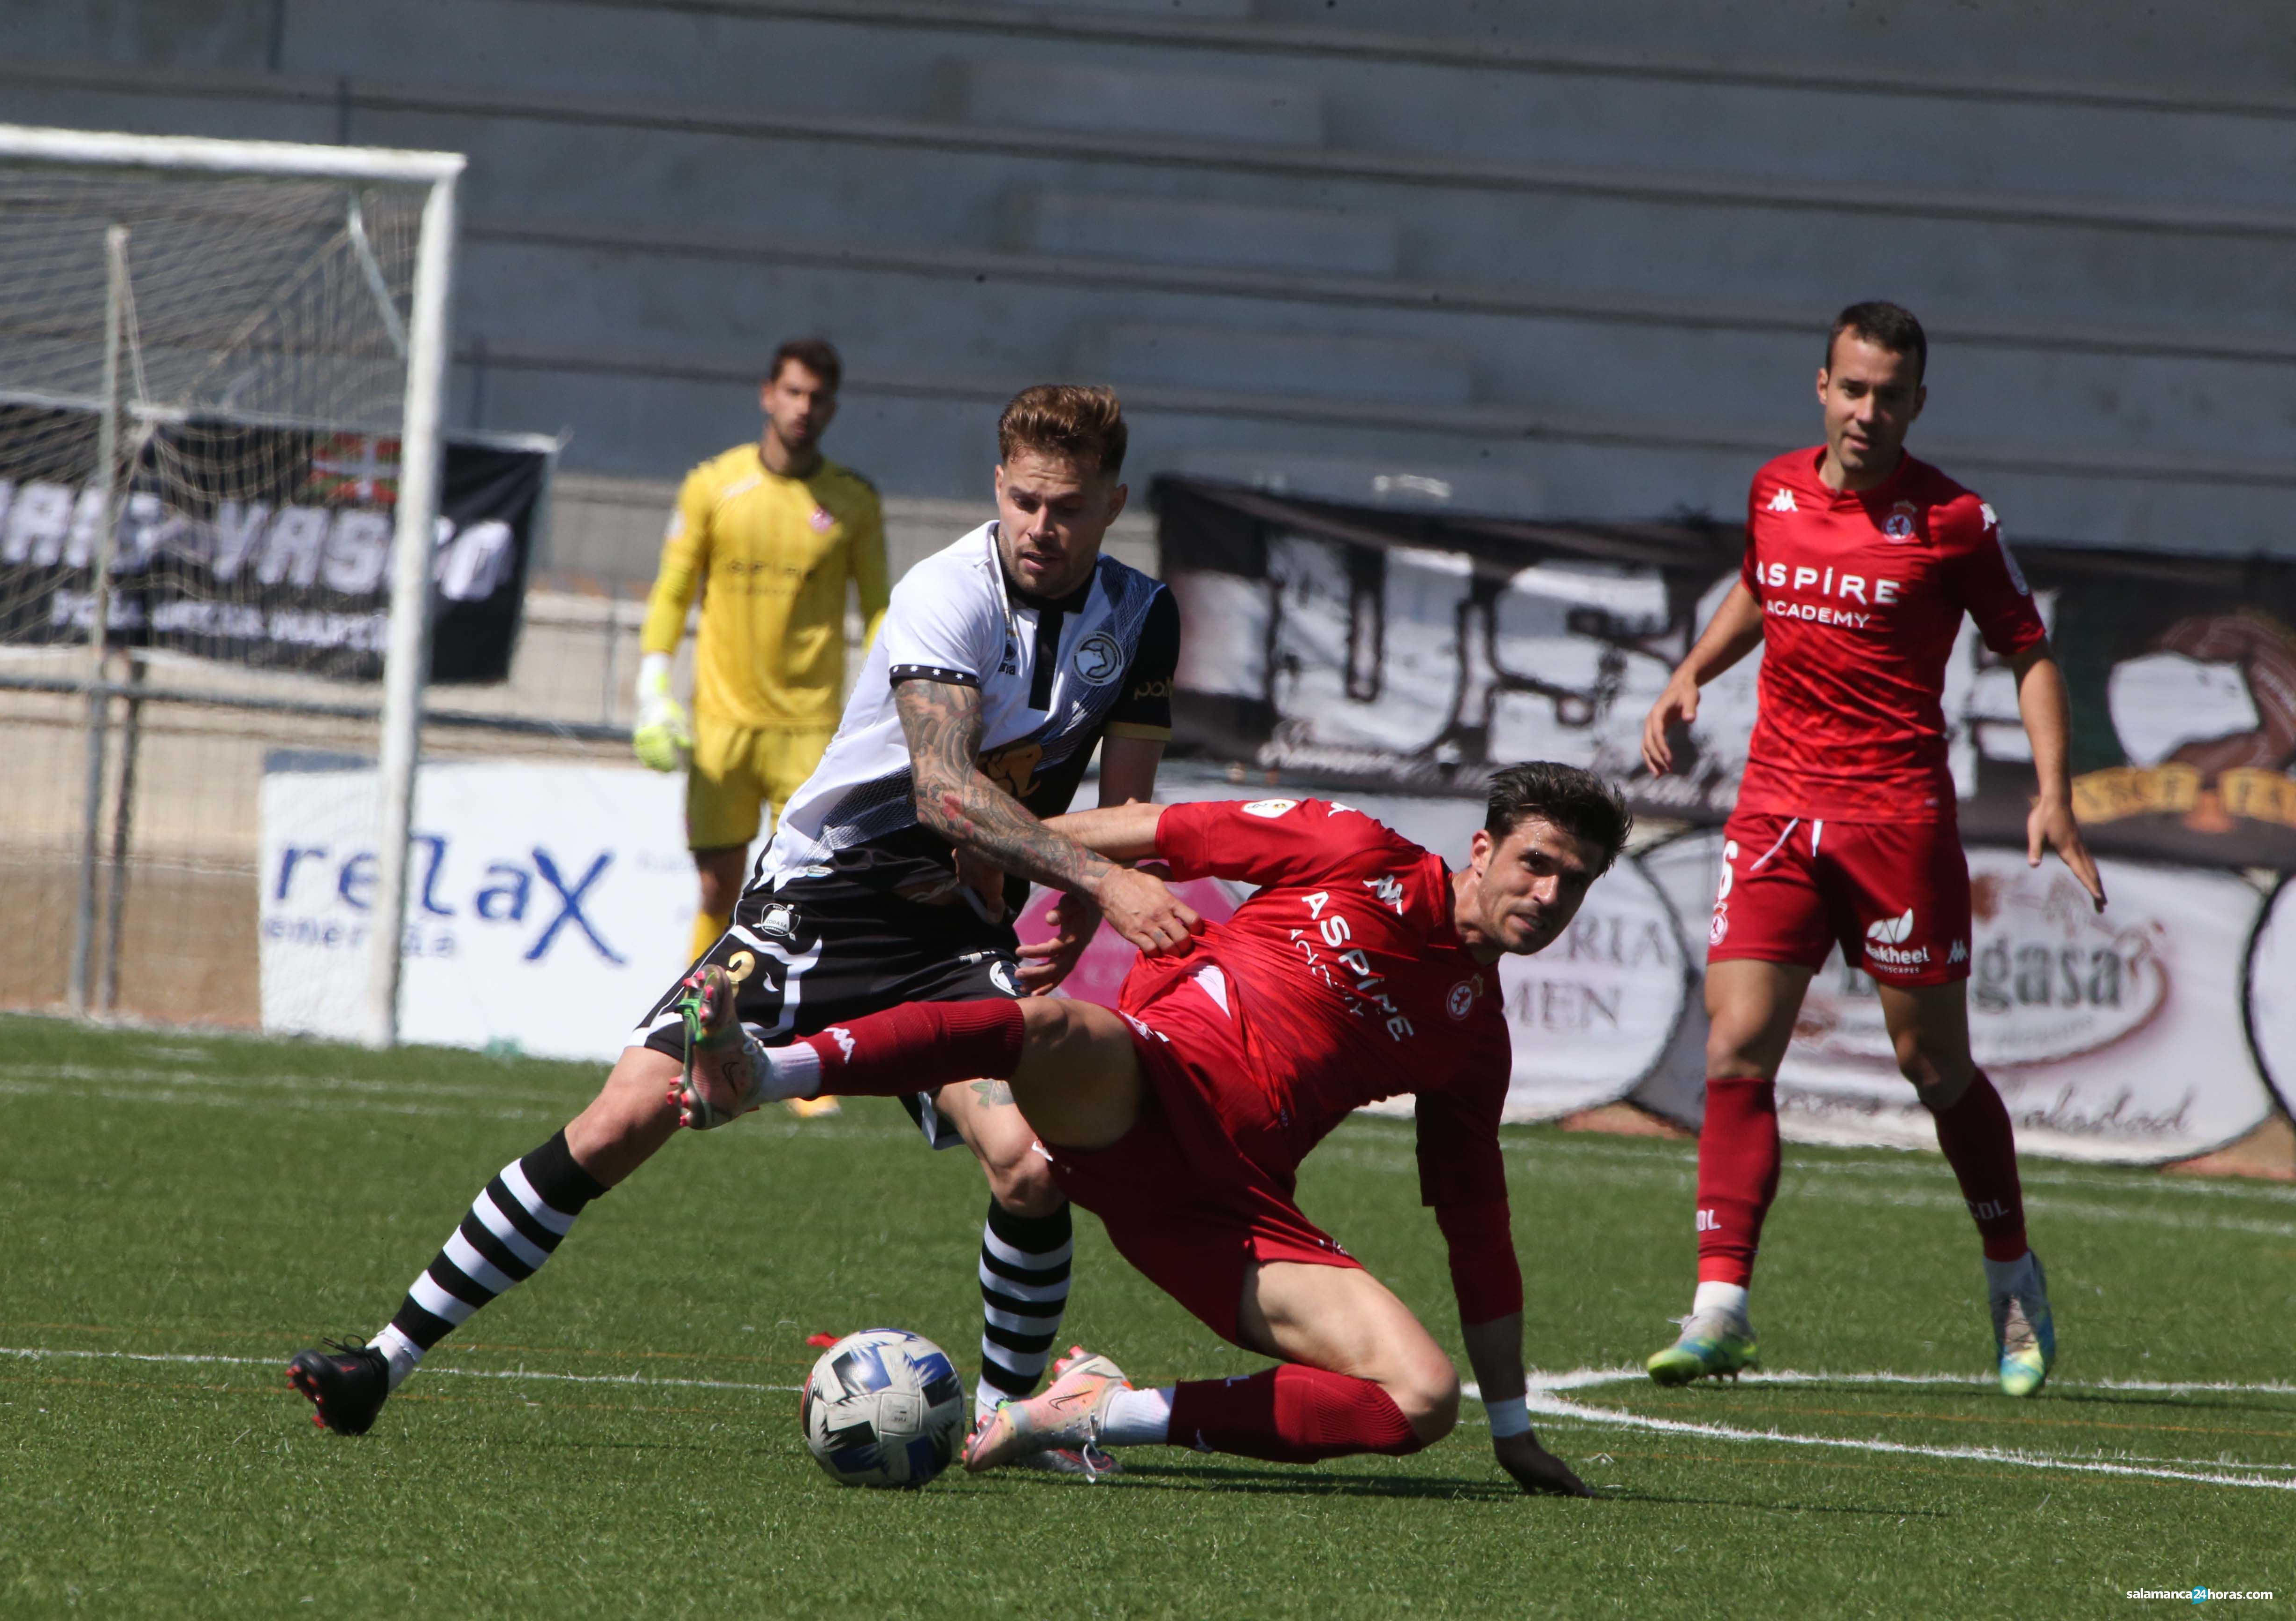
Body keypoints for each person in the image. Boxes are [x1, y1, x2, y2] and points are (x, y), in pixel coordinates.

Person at [290, 386, 1191, 1466]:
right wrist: (1098, 875)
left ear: (1112, 505)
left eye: (1070, 508)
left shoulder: (1140, 617)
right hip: (820, 904)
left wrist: (1086, 902)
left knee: (1032, 1166)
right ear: (999, 487)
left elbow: (1128, 803)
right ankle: (381, 1363)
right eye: (1027, 501)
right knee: (622, 1119)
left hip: (953, 939)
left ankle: (1006, 1423)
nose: (1044, 528)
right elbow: (942, 795)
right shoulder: (946, 591)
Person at [669, 765, 1627, 1493]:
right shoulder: (1354, 849)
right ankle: (763, 1070)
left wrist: (1510, 1426)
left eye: (1572, 883)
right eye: (1535, 863)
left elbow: (1478, 1231)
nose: (1546, 895)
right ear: (1482, 851)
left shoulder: (1475, 1038)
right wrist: (1018, 851)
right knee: (1050, 1032)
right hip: (1142, 1081)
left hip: (1228, 1209)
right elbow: (1154, 829)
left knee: (1420, 1401)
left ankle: (1096, 1412)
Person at [1637, 300, 2106, 1397]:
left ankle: (2011, 1276)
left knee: (1931, 1064)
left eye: (1889, 395)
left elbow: (2029, 653)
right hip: (1774, 816)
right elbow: (1762, 581)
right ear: (1822, 387)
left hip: (1895, 821)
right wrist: (1694, 668)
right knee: (1737, 1049)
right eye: (1852, 388)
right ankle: (1721, 1308)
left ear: (1917, 403)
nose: (1868, 410)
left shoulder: (1955, 521)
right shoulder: (1775, 489)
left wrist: (2054, 795)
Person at [631, 337, 890, 973]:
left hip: (811, 732)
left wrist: (890, 707)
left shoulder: (853, 500)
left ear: (833, 407)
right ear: (768, 395)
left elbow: (882, 610)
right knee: (719, 889)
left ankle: (807, 1067)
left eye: (818, 397)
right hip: (723, 726)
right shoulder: (713, 486)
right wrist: (651, 687)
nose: (804, 407)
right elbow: (672, 590)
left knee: (805, 900)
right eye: (794, 392)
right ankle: (695, 1041)